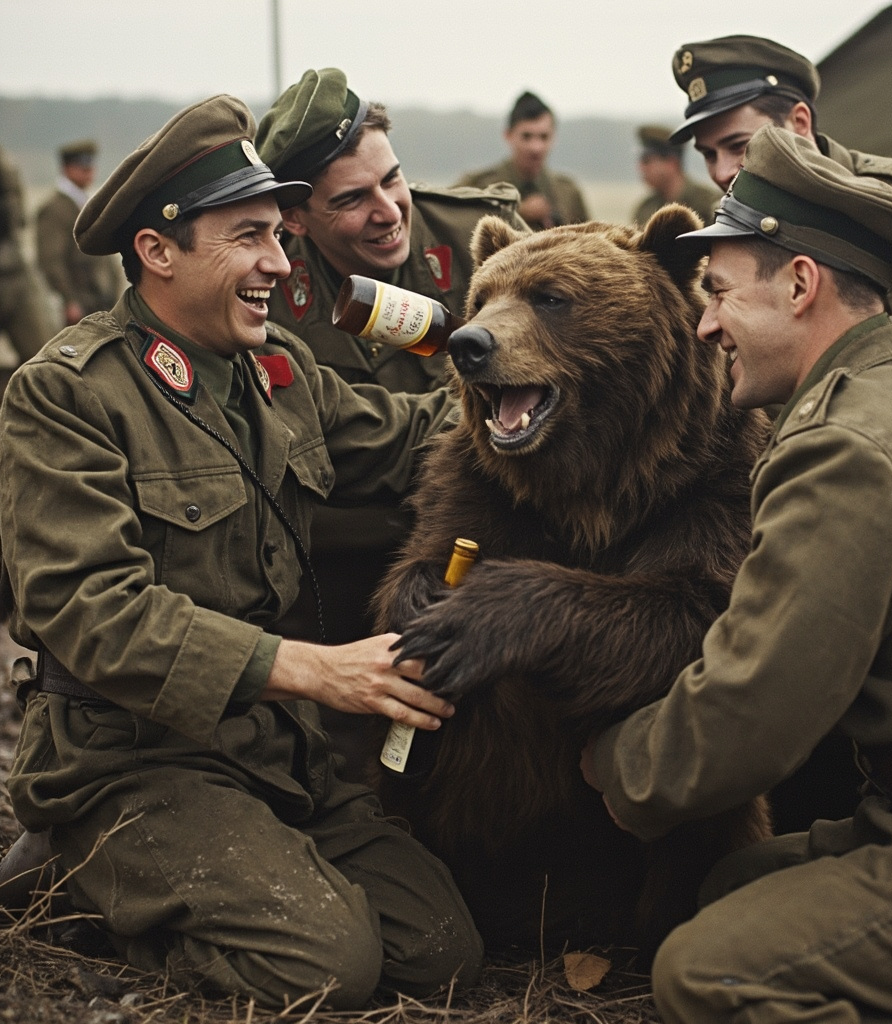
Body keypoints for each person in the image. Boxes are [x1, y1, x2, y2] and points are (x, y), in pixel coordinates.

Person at [0, 94, 482, 1010]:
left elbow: (421, 434)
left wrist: (540, 391)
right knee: (327, 970)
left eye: (278, 233)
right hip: (131, 756)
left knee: (441, 955)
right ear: (158, 250)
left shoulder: (278, 375)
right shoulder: (68, 395)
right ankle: (78, 868)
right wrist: (316, 672)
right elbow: (95, 615)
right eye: (249, 236)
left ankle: (226, 875)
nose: (277, 261)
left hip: (266, 748)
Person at [571, 124, 892, 1024]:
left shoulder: (846, 449)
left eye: (720, 294)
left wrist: (604, 762)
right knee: (733, 883)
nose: (704, 324)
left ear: (802, 284)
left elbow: (754, 710)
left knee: (708, 974)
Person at [255, 68, 528, 650]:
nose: (388, 211)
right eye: (353, 199)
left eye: (392, 179)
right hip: (335, 570)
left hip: (489, 539)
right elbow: (299, 440)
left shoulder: (476, 236)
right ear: (295, 220)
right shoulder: (265, 290)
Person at [669, 34, 892, 467]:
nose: (722, 172)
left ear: (799, 123)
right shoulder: (731, 231)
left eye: (740, 146)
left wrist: (876, 449)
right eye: (707, 154)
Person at [457, 90, 589, 231]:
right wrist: (515, 213)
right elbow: (452, 226)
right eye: (526, 136)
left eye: (544, 137)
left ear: (554, 138)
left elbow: (592, 245)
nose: (536, 147)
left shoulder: (568, 192)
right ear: (508, 135)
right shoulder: (477, 185)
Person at [34, 139, 123, 325]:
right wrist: (69, 300)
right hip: (80, 303)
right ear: (67, 169)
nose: (89, 172)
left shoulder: (87, 203)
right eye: (82, 168)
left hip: (101, 299)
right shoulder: (54, 209)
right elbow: (50, 260)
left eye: (90, 167)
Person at [0, 143, 58, 387]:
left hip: (13, 268)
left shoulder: (6, 165)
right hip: (12, 266)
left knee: (47, 366)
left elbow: (18, 218)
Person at [631, 123, 719, 227]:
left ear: (671, 163)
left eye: (647, 161)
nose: (641, 168)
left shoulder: (709, 206)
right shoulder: (645, 209)